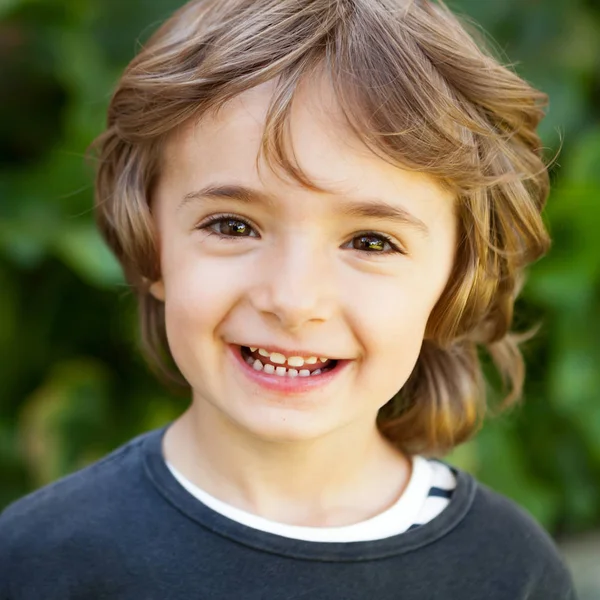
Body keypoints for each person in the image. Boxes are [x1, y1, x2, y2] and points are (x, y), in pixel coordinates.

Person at [0, 0, 577, 598]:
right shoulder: (40, 561)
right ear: (151, 245)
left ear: (455, 278)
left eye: (371, 241)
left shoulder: (511, 572)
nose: (294, 300)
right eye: (232, 226)